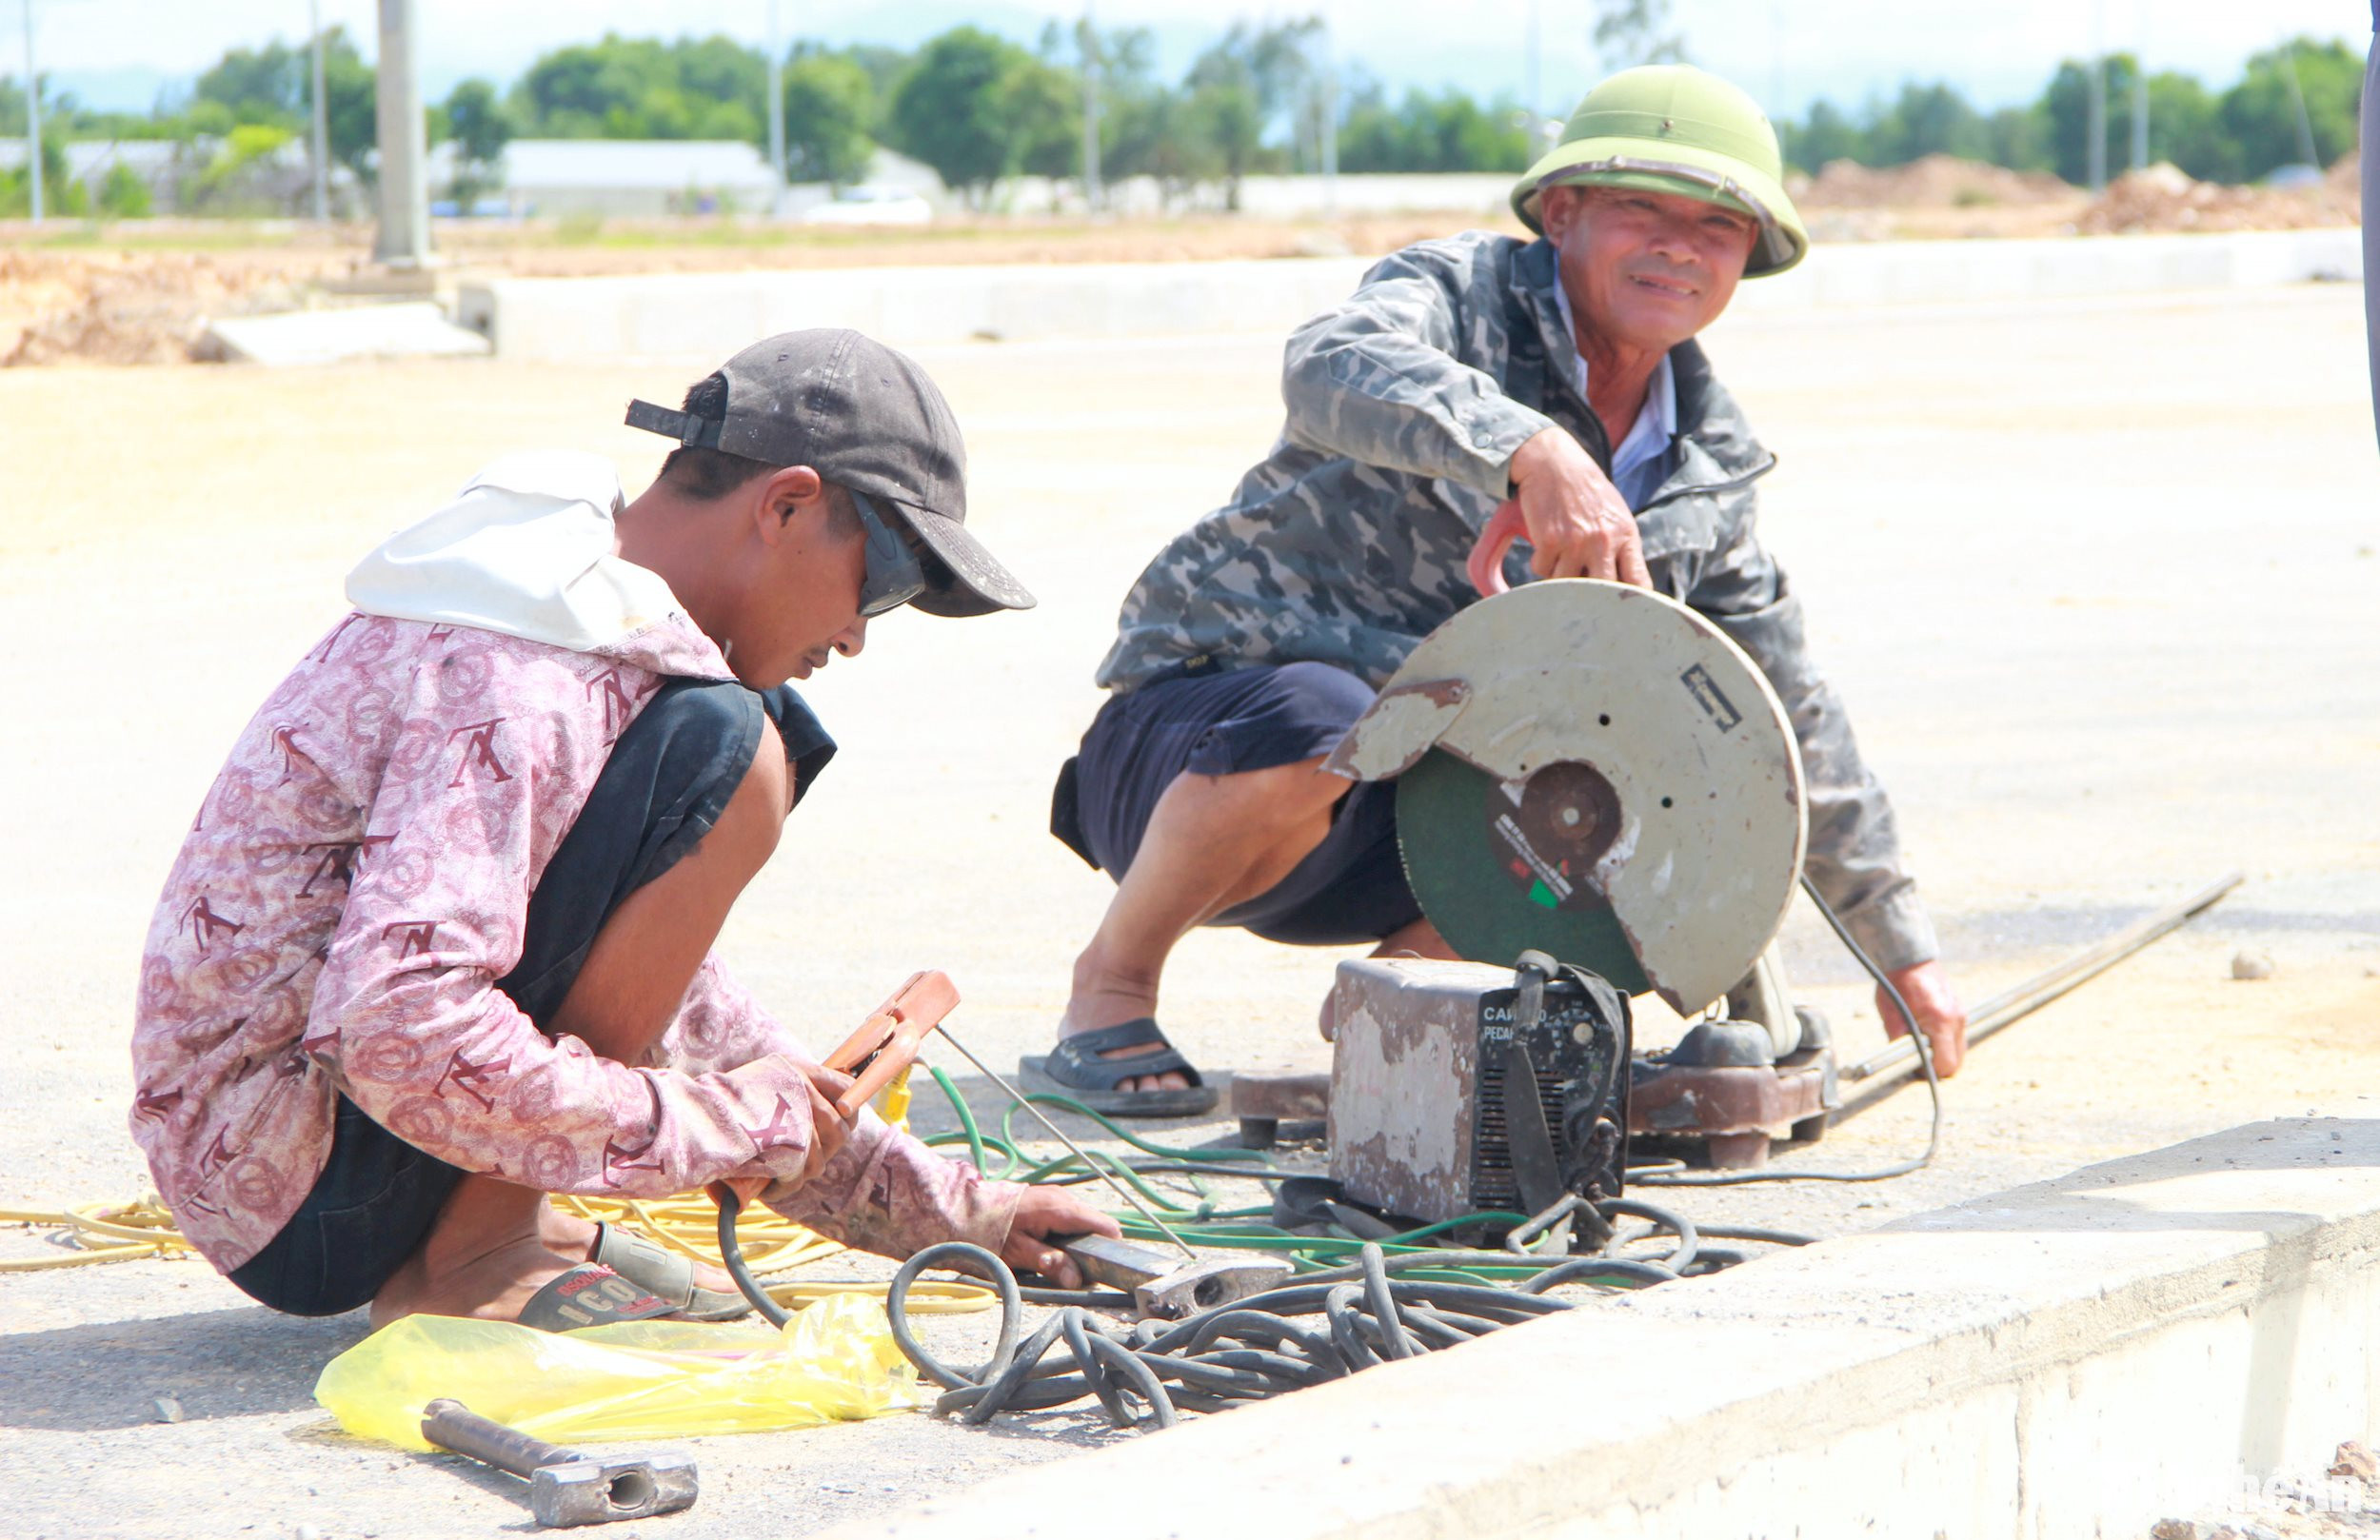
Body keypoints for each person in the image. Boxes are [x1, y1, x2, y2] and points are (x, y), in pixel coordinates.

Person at [130, 328, 1115, 1331]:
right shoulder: (523, 667)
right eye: (885, 583)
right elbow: (397, 1029)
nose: (860, 634)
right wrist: (719, 1125)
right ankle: (480, 1256)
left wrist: (953, 1212)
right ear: (786, 504)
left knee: (740, 737)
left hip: (288, 1160)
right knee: (742, 744)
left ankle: (511, 1227)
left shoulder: (574, 621)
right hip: (298, 1182)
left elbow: (665, 1004)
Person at [1038, 66, 1969, 1116]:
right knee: (1322, 710)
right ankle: (1109, 989)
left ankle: (1391, 1018)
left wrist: (1899, 948)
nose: (1677, 245)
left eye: (1715, 226)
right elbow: (1329, 359)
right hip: (1206, 757)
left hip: (1428, 821)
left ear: (1747, 256)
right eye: (1639, 210)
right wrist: (1529, 450)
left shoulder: (1707, 466)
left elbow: (1784, 716)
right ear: (1561, 213)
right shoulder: (1455, 296)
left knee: (1645, 804)